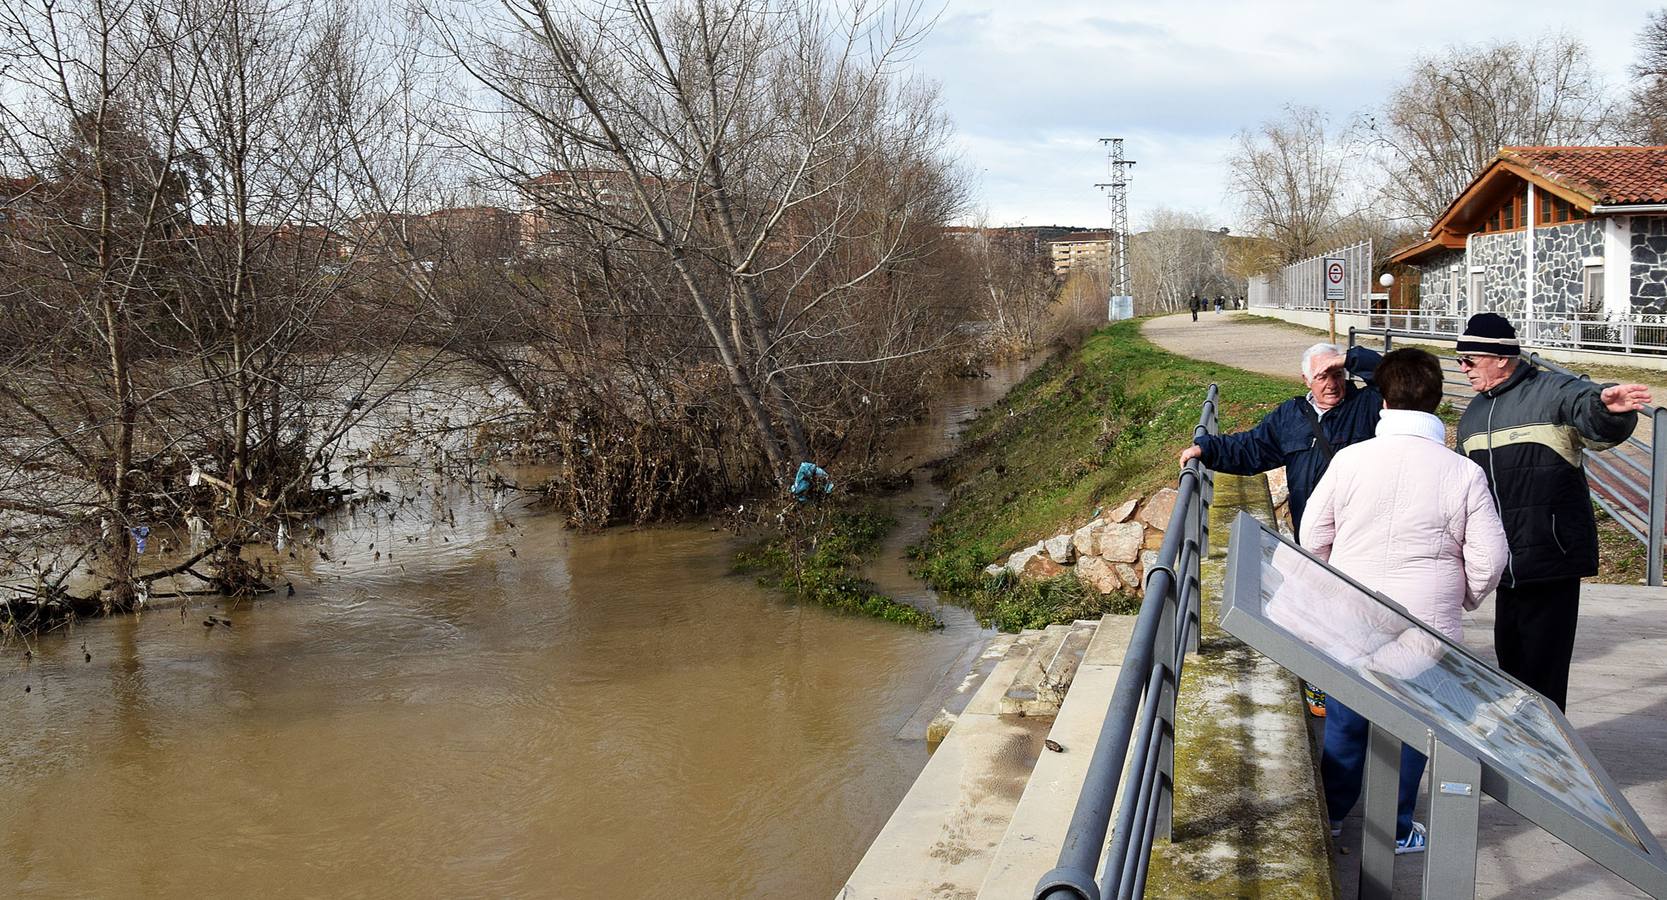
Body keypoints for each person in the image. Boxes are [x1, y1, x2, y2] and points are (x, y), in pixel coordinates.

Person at [1301, 348, 1509, 853]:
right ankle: (1394, 828)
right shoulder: (1462, 473)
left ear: (1383, 401)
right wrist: (1461, 595)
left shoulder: (1350, 460)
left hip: (1353, 612)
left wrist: (1337, 581)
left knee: (1347, 721)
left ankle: (1331, 819)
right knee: (1414, 724)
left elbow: (1313, 536)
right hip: (1427, 624)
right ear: (1437, 403)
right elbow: (1492, 557)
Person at [1453, 313, 1652, 710]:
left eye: (1470, 360)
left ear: (1502, 358)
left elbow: (1591, 412)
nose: (1463, 368)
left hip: (1550, 559)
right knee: (1511, 675)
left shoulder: (1553, 390)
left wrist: (1608, 407)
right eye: (1460, 360)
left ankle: (1552, 761)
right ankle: (1521, 760)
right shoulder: (1473, 414)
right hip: (1505, 568)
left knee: (1543, 681)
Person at [1180, 341, 1382, 716]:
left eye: (1337, 373)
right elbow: (1252, 449)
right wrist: (1205, 449)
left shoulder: (1368, 407)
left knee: (1358, 617)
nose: (1332, 383)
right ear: (1306, 378)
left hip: (1362, 537)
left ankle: (1367, 692)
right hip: (1314, 538)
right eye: (1322, 376)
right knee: (1318, 615)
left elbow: (1395, 377)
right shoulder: (1292, 416)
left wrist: (1349, 358)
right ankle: (1326, 690)